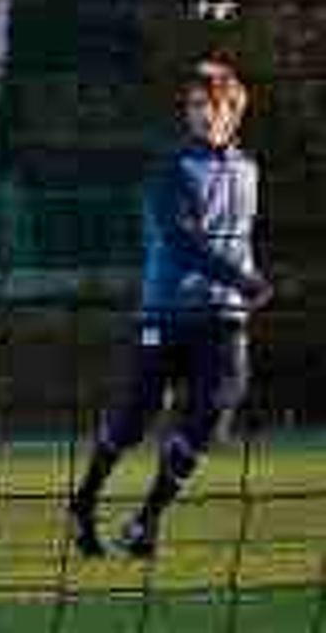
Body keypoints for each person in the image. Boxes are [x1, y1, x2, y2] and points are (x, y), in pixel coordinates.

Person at [67, 56, 269, 559]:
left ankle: (145, 521)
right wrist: (242, 279)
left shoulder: (249, 169)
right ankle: (84, 502)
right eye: (194, 105)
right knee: (137, 417)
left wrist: (243, 284)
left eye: (210, 105)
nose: (200, 114)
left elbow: (235, 239)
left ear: (234, 110)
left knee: (213, 412)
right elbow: (181, 240)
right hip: (166, 315)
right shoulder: (170, 168)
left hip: (224, 317)